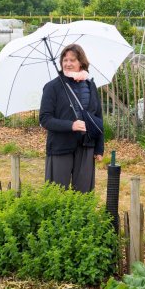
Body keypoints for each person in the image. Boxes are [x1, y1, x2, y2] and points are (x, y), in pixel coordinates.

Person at [38, 44, 104, 192]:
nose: (67, 63)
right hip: (60, 146)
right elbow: (45, 119)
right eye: (65, 60)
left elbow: (97, 117)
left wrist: (99, 148)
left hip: (86, 145)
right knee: (57, 193)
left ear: (81, 62)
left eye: (72, 60)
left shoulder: (90, 85)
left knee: (84, 193)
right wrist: (71, 125)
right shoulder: (52, 87)